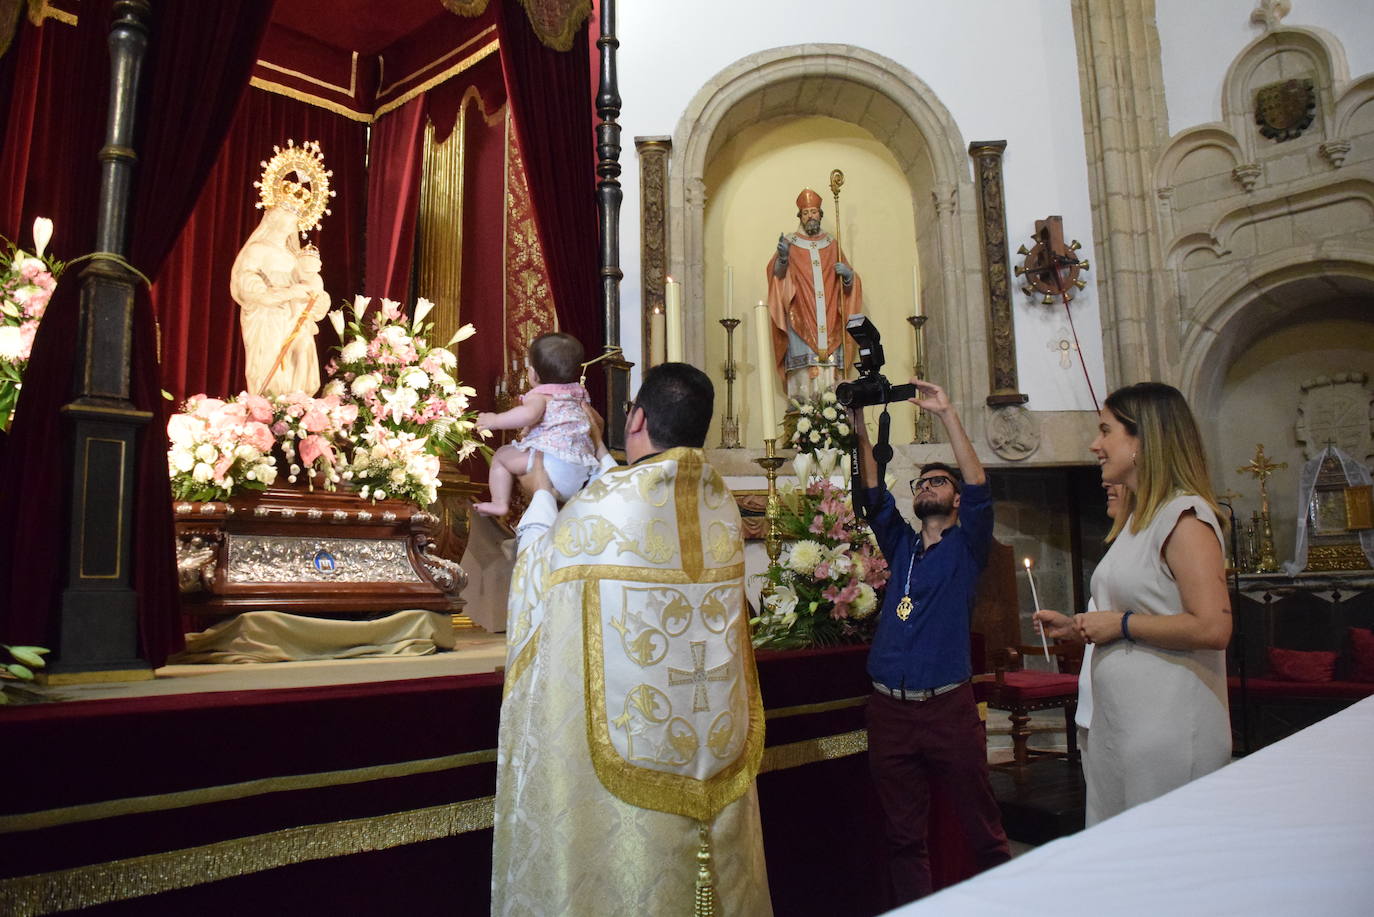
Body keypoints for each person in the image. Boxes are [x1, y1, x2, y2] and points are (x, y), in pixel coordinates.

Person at [491, 363, 772, 916]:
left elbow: (537, 586)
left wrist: (542, 496)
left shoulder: (608, 501)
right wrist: (601, 453)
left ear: (638, 417)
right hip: (706, 728)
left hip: (636, 743)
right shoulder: (717, 503)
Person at [1035, 382, 1231, 826]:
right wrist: (1079, 626)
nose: (1095, 444)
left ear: (1143, 440)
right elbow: (1146, 603)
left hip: (1169, 731)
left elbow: (1213, 627)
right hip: (1125, 728)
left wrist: (1121, 624)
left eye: (1106, 431)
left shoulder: (1185, 517)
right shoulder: (1139, 521)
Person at [849, 380, 1009, 904]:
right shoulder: (902, 548)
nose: (926, 489)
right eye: (920, 485)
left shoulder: (968, 546)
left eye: (938, 483)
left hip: (947, 709)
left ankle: (1007, 903)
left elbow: (981, 484)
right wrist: (857, 421)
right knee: (902, 837)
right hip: (890, 712)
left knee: (981, 829)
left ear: (956, 499)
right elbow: (873, 497)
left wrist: (947, 414)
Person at [472, 332, 600, 517]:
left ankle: (499, 503)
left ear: (533, 373)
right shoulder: (578, 394)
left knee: (501, 456)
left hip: (552, 463)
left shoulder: (541, 395)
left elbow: (529, 414)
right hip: (581, 470)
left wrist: (495, 420)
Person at [765, 188, 864, 398]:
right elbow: (777, 278)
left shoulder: (832, 244)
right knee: (804, 379)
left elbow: (848, 289)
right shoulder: (790, 243)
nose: (810, 216)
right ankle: (802, 421)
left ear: (821, 214)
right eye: (806, 212)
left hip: (830, 322)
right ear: (800, 216)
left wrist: (848, 276)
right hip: (799, 319)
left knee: (831, 384)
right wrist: (782, 258)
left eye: (814, 211)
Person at [229, 199, 330, 397]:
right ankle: (269, 410)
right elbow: (248, 284)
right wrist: (287, 293)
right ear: (275, 219)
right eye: (289, 217)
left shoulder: (295, 256)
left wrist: (317, 299)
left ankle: (295, 411)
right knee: (269, 368)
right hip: (268, 319)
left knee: (299, 366)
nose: (293, 223)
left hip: (296, 320)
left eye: (295, 219)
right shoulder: (257, 249)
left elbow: (312, 286)